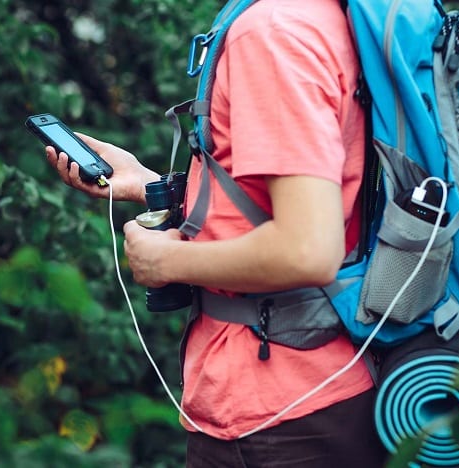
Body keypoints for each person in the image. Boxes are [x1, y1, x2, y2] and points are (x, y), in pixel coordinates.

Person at [46, 0, 386, 466]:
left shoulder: (272, 32)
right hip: (318, 388)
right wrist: (147, 185)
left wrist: (162, 261)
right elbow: (289, 200)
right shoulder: (318, 15)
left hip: (278, 411)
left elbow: (308, 249)